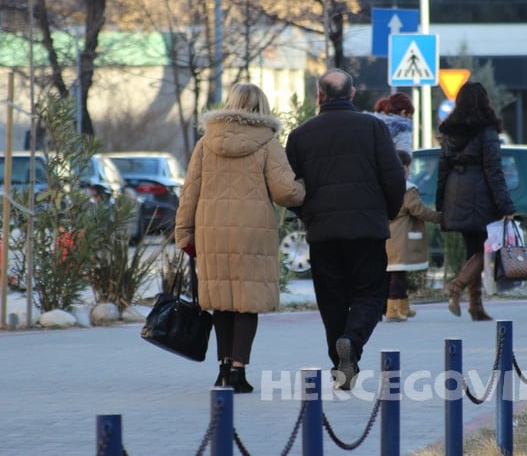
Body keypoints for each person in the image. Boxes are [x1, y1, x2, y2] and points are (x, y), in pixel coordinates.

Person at [174, 83, 305, 393]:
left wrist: (183, 232)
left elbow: (190, 191)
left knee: (222, 301)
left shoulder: (206, 142)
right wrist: (303, 187)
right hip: (252, 232)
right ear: (262, 107)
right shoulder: (268, 142)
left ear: (230, 103)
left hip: (212, 230)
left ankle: (222, 370)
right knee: (247, 301)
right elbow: (285, 192)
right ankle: (238, 372)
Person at [286, 69, 405, 390]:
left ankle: (341, 368)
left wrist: (308, 215)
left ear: (319, 96)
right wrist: (385, 213)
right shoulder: (373, 128)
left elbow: (289, 188)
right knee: (371, 294)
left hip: (323, 232)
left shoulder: (300, 135)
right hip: (367, 229)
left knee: (332, 300)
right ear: (352, 94)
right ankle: (351, 342)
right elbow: (394, 177)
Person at [435, 81, 515, 321]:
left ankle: (475, 305)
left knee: (473, 248)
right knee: (485, 248)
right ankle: (457, 286)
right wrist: (506, 206)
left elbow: (442, 168)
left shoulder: (449, 131)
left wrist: (441, 203)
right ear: (484, 102)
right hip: (479, 194)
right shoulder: (487, 131)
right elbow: (494, 170)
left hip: (455, 192)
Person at [384, 150, 441, 322]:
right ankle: (393, 310)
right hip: (401, 239)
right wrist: (440, 217)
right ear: (404, 168)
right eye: (409, 166)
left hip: (387, 237)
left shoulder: (384, 185)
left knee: (394, 274)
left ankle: (402, 306)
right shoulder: (407, 189)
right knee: (398, 276)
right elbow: (418, 210)